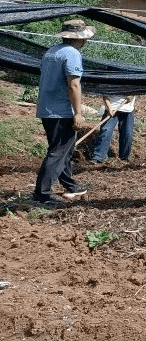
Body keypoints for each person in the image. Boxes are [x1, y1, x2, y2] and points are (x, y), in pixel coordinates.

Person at [33, 18, 95, 207]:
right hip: (62, 111)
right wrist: (78, 112)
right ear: (79, 38)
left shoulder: (51, 51)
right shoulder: (72, 53)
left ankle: (70, 184)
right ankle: (42, 194)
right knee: (58, 152)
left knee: (64, 151)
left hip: (47, 108)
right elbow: (74, 84)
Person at [92, 94, 135, 164]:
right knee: (106, 131)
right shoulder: (109, 83)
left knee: (127, 134)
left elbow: (136, 89)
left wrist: (132, 95)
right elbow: (105, 95)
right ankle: (98, 157)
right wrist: (109, 108)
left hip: (127, 111)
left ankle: (124, 157)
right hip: (111, 110)